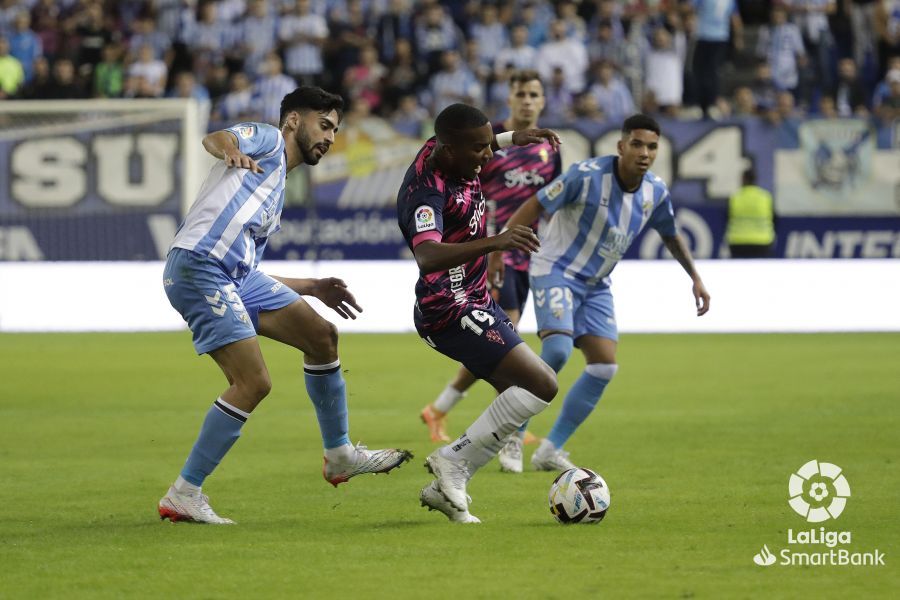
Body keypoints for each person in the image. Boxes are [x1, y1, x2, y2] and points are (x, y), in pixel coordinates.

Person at [158, 87, 411, 525]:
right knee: (252, 382)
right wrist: (232, 151)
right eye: (325, 125)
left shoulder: (275, 192)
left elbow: (246, 270)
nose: (330, 137)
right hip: (200, 267)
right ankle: (184, 492)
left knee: (321, 336)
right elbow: (216, 138)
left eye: (335, 130)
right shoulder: (271, 141)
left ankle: (340, 455)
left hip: (232, 274)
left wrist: (310, 285)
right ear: (294, 120)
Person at [490, 114, 711, 472]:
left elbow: (671, 234)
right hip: (556, 270)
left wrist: (695, 277)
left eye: (652, 147)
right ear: (621, 146)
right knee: (558, 352)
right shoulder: (586, 175)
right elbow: (534, 205)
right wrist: (498, 249)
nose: (644, 152)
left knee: (604, 366)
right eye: (637, 144)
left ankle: (550, 449)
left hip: (596, 285)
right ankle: (516, 434)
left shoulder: (654, 191)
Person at [396, 103, 560, 523]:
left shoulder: (446, 148)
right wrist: (496, 244)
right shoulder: (425, 191)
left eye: (490, 146)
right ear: (449, 151)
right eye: (480, 150)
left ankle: (447, 484)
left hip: (475, 297)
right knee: (542, 382)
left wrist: (510, 139)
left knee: (522, 395)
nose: (489, 157)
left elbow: (473, 140)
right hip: (447, 307)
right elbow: (428, 254)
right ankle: (453, 463)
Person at [726, 168, 776, 258]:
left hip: (738, 243)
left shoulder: (735, 197)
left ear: (743, 179)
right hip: (762, 242)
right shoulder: (765, 197)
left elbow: (726, 218)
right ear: (755, 179)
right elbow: (775, 219)